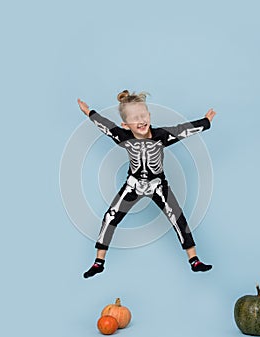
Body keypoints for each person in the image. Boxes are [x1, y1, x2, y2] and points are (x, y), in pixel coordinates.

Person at [77, 90, 216, 278]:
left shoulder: (161, 136)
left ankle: (194, 260)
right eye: (135, 118)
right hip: (133, 185)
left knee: (178, 217)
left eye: (143, 115)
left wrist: (205, 122)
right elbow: (106, 126)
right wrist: (88, 112)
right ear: (125, 125)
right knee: (110, 217)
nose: (141, 120)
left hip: (158, 185)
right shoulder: (123, 136)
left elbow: (182, 130)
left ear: (149, 116)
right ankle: (98, 262)